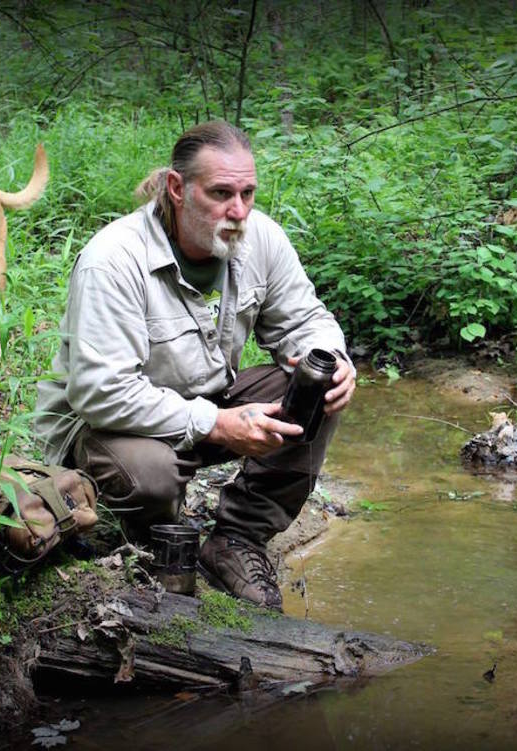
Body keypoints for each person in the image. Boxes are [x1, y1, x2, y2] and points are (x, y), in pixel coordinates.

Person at [33, 120, 355, 611]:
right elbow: (101, 393)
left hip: (204, 404)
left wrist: (334, 359)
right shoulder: (114, 259)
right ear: (177, 189)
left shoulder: (259, 237)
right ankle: (152, 542)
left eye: (248, 192)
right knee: (153, 474)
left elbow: (306, 319)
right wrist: (216, 424)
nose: (239, 210)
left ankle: (236, 541)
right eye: (222, 193)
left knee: (318, 389)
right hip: (106, 430)